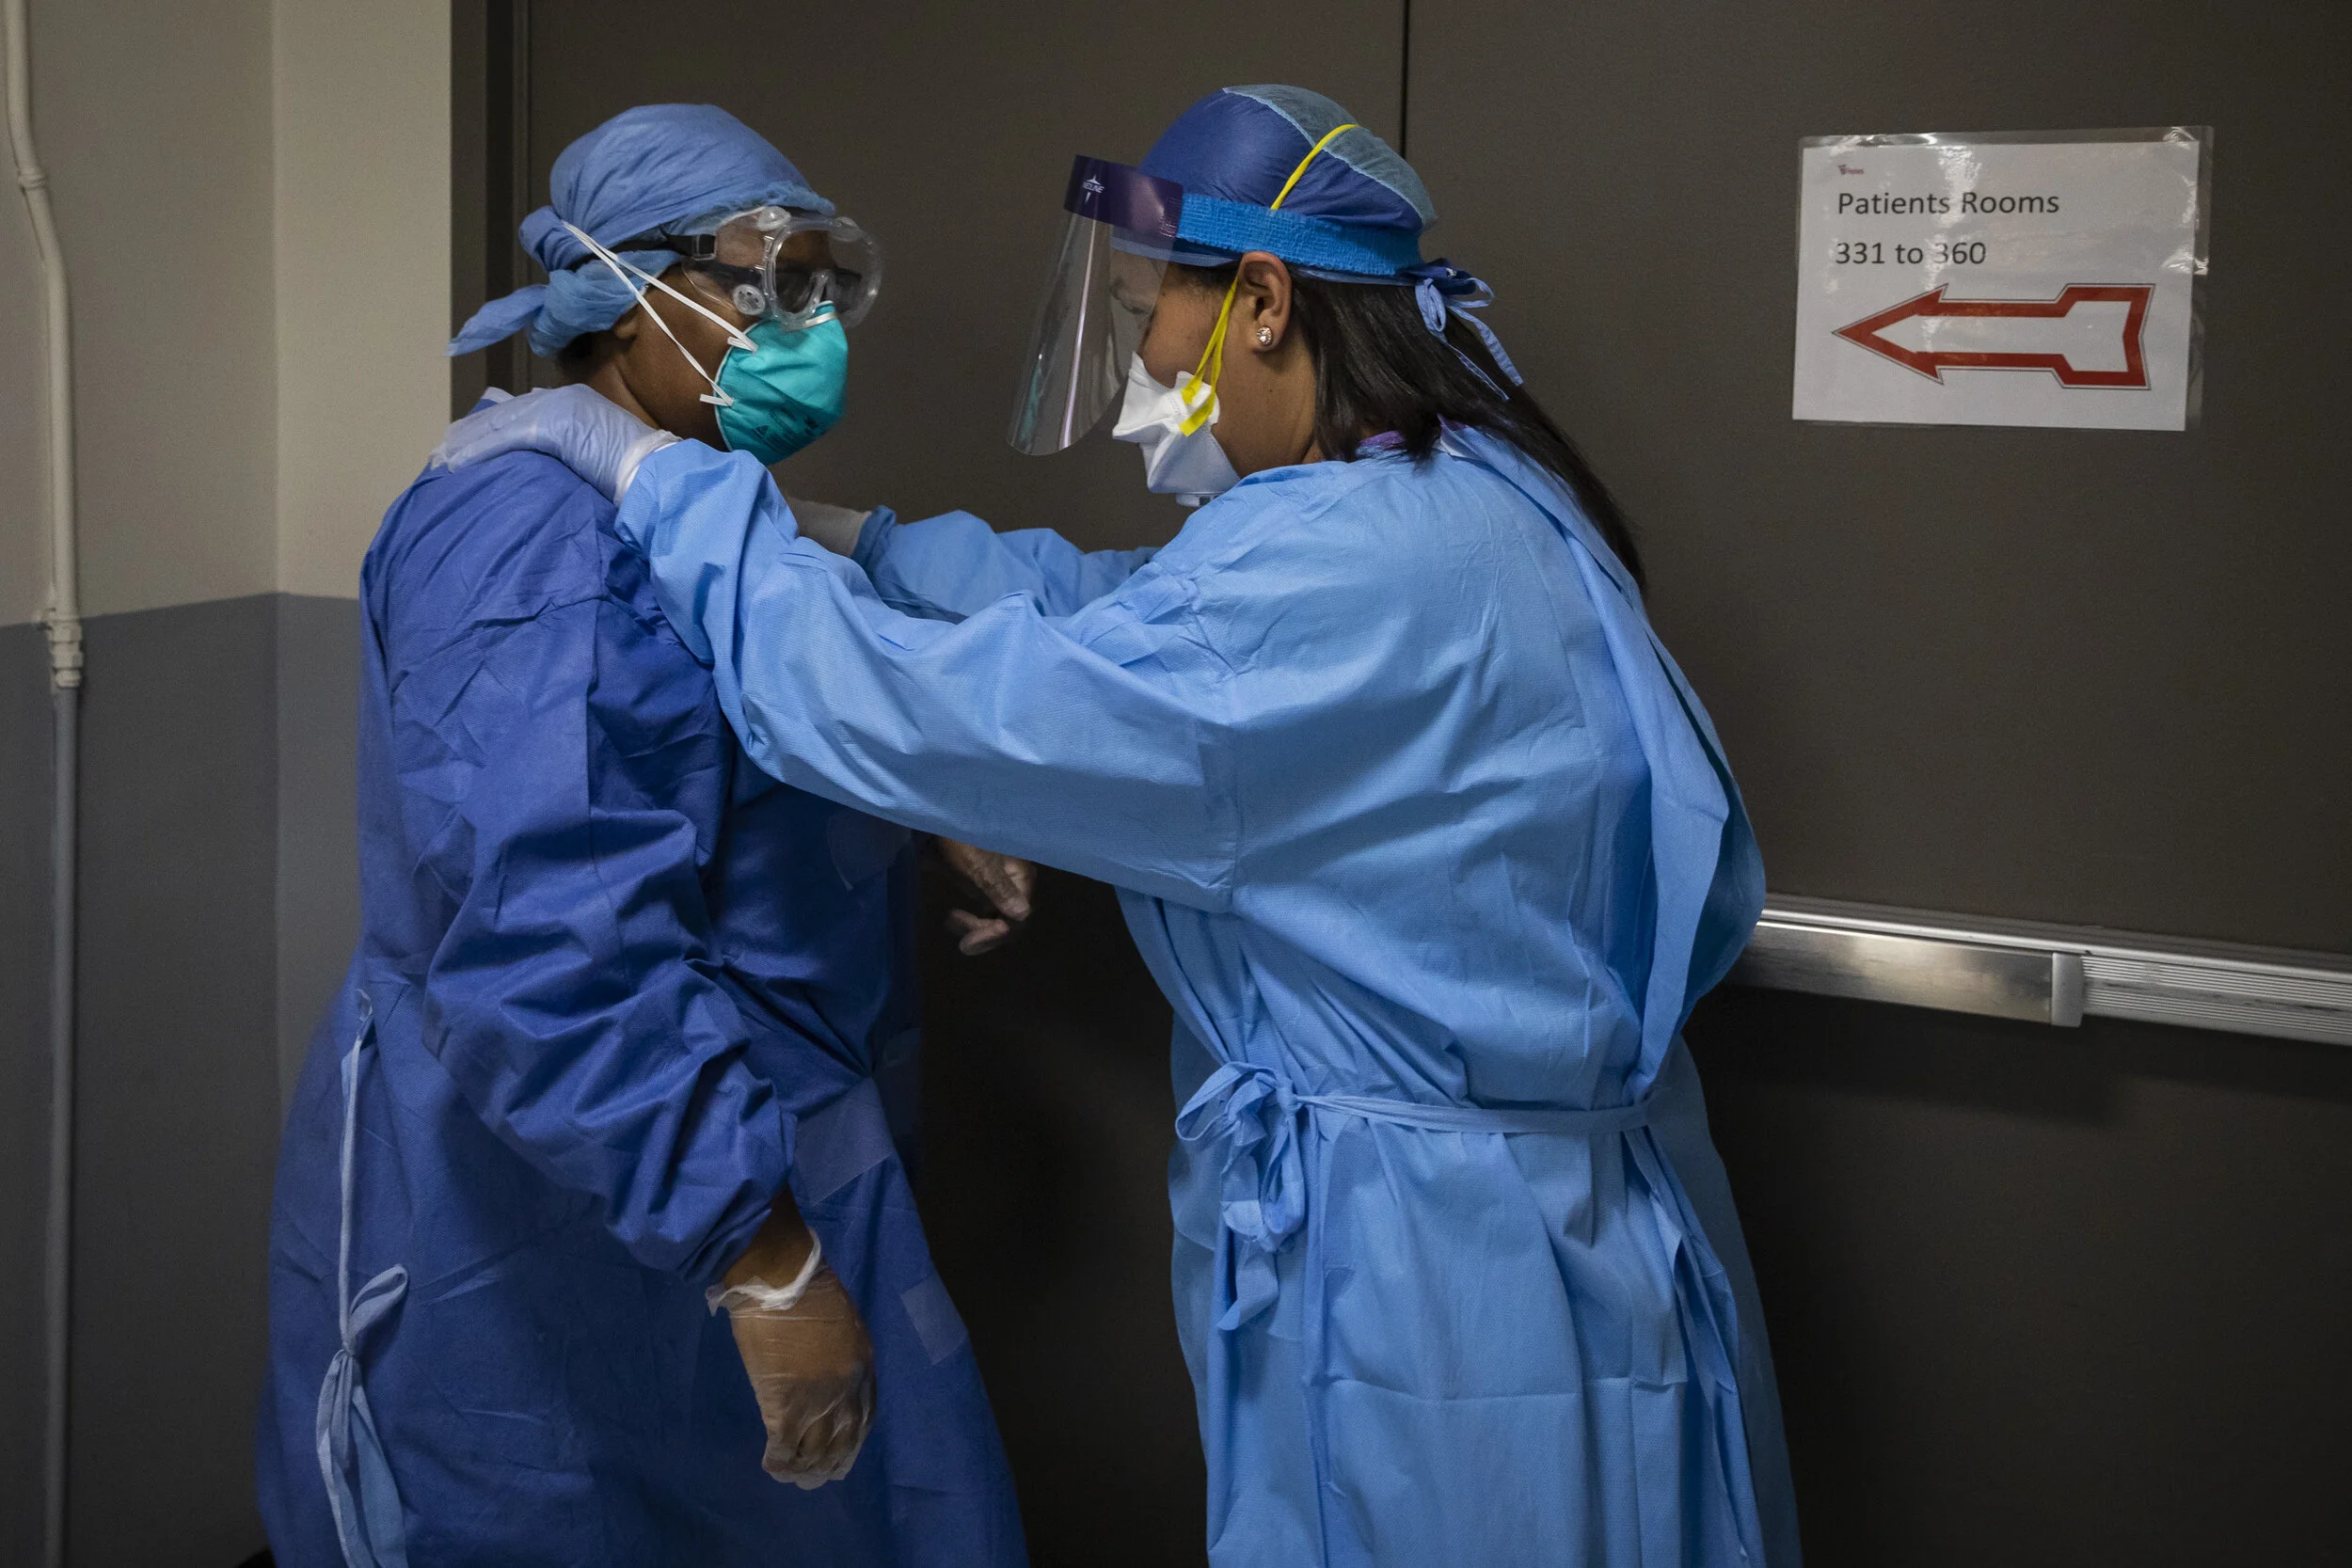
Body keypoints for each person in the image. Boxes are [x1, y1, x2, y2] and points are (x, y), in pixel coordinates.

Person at [439, 85, 1802, 1567]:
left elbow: (930, 710)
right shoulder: (1460, 493)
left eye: (1157, 306)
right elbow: (1106, 621)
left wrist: (672, 490)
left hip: (1440, 1280)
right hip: (1554, 1232)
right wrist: (853, 545)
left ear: (1264, 302)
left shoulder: (1351, 568)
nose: (1148, 352)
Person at [257, 103, 1028, 1568]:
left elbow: (716, 756)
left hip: (731, 1153)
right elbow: (550, 939)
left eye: (821, 287)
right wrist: (761, 1253)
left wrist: (912, 804)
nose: (807, 326)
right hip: (584, 1209)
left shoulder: (697, 502)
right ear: (632, 290)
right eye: (768, 286)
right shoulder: (529, 545)